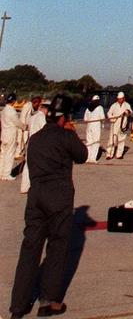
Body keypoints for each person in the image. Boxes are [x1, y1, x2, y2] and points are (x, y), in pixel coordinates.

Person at [9, 93, 87, 319]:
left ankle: (18, 307)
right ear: (65, 117)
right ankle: (48, 301)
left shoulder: (36, 138)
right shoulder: (66, 136)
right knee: (57, 248)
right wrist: (72, 133)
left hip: (35, 198)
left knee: (29, 250)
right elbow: (82, 156)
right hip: (59, 199)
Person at [20, 98, 48, 194]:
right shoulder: (41, 117)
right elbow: (45, 130)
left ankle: (24, 187)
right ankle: (37, 187)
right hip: (38, 144)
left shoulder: (32, 117)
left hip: (31, 142)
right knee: (39, 166)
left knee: (27, 165)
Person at [1, 90, 24, 180]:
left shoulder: (4, 110)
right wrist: (25, 127)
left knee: (3, 154)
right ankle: (6, 174)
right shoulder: (12, 111)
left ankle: (1, 172)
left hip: (4, 134)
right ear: (14, 101)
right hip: (10, 135)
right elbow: (17, 123)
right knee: (10, 154)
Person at [105, 92, 133, 159]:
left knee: (121, 140)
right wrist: (112, 118)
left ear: (123, 98)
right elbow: (109, 113)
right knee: (112, 140)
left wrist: (128, 112)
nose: (119, 100)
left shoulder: (127, 105)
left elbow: (131, 113)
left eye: (121, 99)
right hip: (114, 125)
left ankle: (119, 155)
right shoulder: (114, 105)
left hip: (123, 125)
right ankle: (109, 154)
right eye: (118, 99)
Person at [83, 95, 105, 163]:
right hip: (96, 126)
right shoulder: (100, 107)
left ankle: (87, 158)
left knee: (89, 142)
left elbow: (85, 119)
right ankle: (93, 159)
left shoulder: (87, 108)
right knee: (96, 142)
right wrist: (102, 124)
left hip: (89, 126)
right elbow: (102, 118)